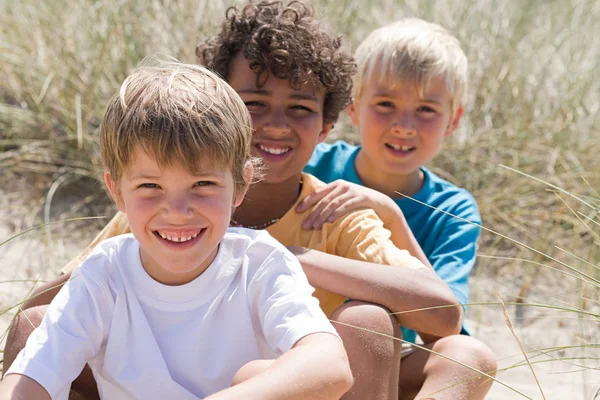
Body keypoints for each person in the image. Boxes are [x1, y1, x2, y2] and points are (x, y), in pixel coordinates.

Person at [2, 3, 462, 399]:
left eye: (299, 109)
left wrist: (299, 256)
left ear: (326, 127)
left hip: (279, 379)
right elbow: (58, 309)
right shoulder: (137, 234)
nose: (275, 125)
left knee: (370, 324)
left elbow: (439, 319)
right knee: (35, 326)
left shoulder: (303, 229)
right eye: (254, 103)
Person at [0, 59, 353, 400]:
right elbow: (32, 377)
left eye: (202, 184)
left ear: (241, 185)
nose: (178, 212)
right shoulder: (104, 274)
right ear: (116, 191)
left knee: (258, 374)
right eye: (150, 187)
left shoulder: (259, 263)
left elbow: (330, 365)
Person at [300, 18, 497, 399]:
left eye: (426, 109)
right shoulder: (311, 168)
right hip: (302, 347)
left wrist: (390, 213)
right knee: (365, 321)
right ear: (354, 109)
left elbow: (443, 329)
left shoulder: (452, 209)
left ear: (453, 121)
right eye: (385, 104)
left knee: (469, 356)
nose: (404, 125)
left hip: (390, 361)